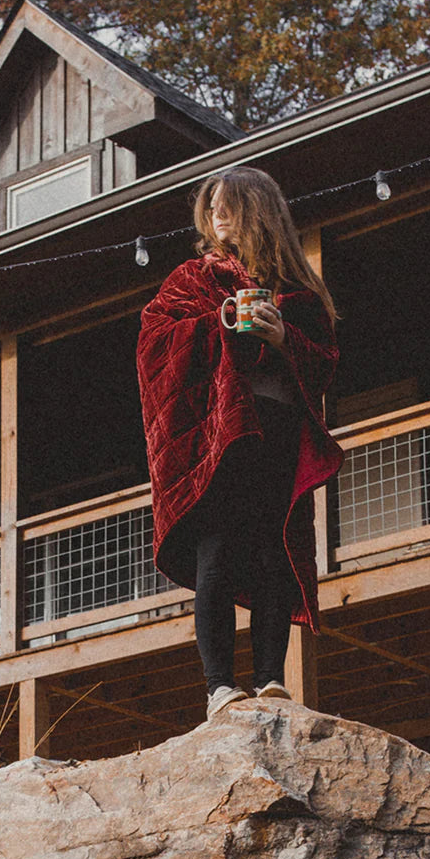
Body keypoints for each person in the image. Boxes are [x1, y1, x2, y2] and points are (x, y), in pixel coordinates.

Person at [136, 166, 343, 719]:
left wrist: (284, 338)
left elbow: (323, 360)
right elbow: (155, 344)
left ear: (256, 211)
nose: (216, 216)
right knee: (217, 554)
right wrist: (223, 323)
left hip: (275, 431)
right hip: (215, 437)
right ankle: (219, 687)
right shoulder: (190, 280)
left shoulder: (296, 290)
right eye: (211, 207)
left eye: (228, 206)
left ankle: (271, 679)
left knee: (274, 549)